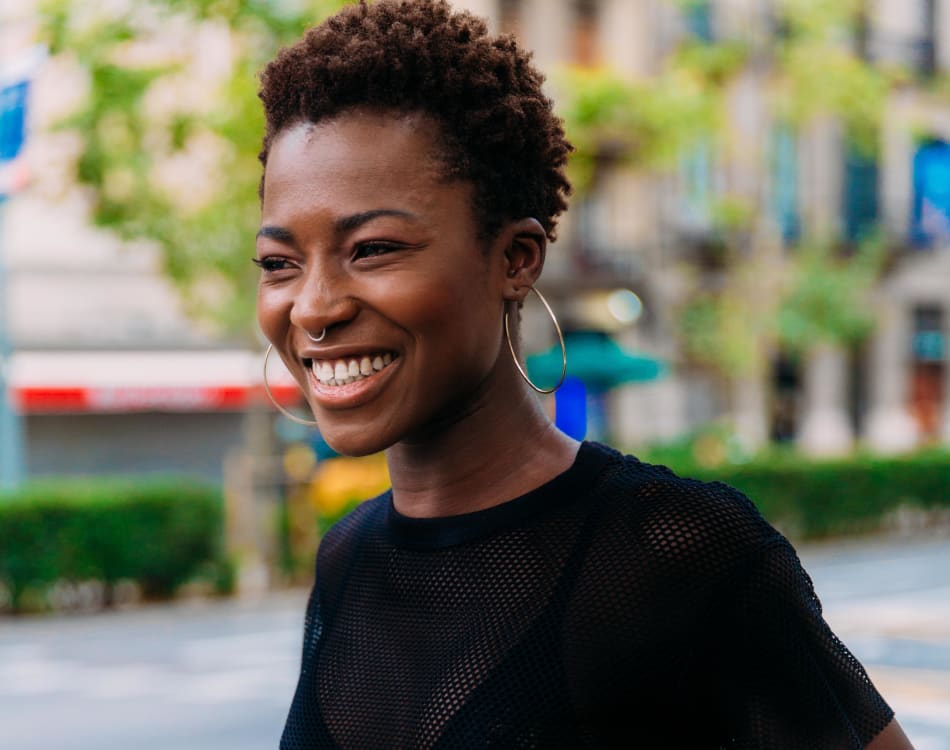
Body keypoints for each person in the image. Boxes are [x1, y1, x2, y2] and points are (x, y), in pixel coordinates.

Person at [254, 1, 914, 747]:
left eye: (371, 249)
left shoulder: (679, 552)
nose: (312, 307)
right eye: (279, 264)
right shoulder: (348, 557)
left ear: (515, 259)